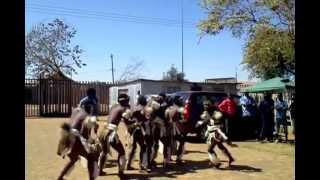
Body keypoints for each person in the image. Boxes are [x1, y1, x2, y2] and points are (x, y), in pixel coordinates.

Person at [57, 96, 100, 180]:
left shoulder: (76, 112)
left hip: (69, 137)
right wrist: (90, 142)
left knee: (73, 159)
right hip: (76, 139)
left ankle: (60, 178)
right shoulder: (88, 118)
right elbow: (84, 131)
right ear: (91, 108)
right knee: (91, 157)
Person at [97, 94, 131, 177]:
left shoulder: (114, 106)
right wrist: (137, 122)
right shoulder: (124, 109)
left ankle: (99, 171)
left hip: (103, 130)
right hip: (110, 132)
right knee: (122, 152)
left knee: (104, 152)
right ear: (126, 101)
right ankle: (121, 173)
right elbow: (127, 122)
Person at [197, 100, 235, 168]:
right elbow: (206, 120)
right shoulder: (207, 113)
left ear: (210, 106)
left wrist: (203, 122)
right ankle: (230, 158)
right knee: (220, 146)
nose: (205, 107)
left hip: (216, 133)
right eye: (204, 105)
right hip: (211, 132)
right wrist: (201, 122)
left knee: (210, 149)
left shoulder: (216, 113)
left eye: (207, 105)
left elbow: (215, 120)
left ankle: (216, 163)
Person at [126, 95, 150, 172]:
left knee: (134, 148)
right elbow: (142, 120)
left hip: (133, 130)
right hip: (136, 130)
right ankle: (141, 165)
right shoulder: (139, 109)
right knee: (142, 147)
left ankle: (129, 164)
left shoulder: (136, 108)